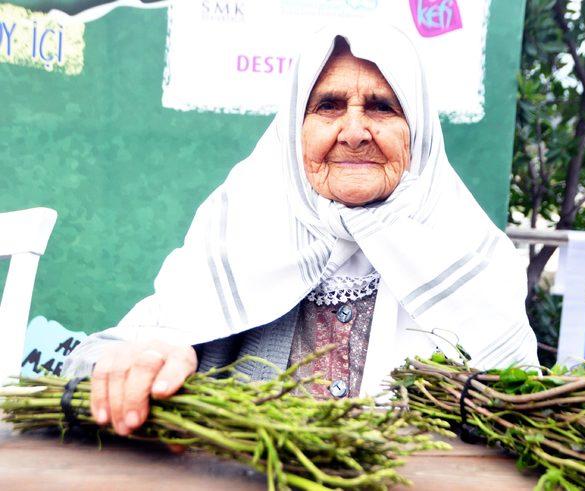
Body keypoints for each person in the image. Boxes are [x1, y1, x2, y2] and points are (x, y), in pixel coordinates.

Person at [63, 23, 539, 438]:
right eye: (328, 106)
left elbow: (521, 413)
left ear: (419, 134)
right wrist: (131, 366)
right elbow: (92, 361)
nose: (354, 131)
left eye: (381, 107)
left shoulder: (469, 259)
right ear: (295, 131)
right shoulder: (245, 235)